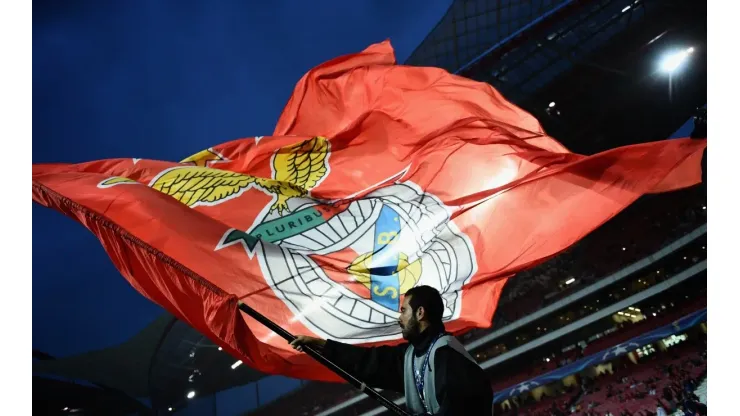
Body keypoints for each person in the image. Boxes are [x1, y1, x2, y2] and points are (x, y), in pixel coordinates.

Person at [290, 285, 493, 415]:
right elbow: (368, 362)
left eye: (404, 310)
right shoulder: (411, 356)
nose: (399, 318)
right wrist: (323, 346)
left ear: (420, 313)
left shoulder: (447, 353)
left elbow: (463, 407)